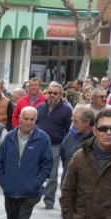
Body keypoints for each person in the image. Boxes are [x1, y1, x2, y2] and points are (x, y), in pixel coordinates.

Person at [0, 106, 53, 219]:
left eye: (32, 119)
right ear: (19, 118)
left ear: (36, 120)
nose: (28, 122)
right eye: (25, 119)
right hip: (10, 189)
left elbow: (47, 164)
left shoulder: (43, 139)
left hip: (31, 192)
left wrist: (37, 182)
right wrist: (3, 181)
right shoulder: (9, 137)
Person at [44, 104, 95, 219]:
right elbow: (65, 154)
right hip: (69, 186)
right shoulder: (71, 136)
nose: (73, 124)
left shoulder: (96, 141)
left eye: (76, 121)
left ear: (87, 123)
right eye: (72, 121)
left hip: (88, 190)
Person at [36, 82, 73, 210]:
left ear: (61, 95)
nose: (52, 95)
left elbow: (69, 129)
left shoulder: (67, 110)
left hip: (55, 145)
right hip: (38, 144)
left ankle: (49, 200)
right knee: (35, 171)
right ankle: (34, 196)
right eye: (50, 93)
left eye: (55, 93)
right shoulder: (40, 108)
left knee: (51, 174)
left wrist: (63, 143)